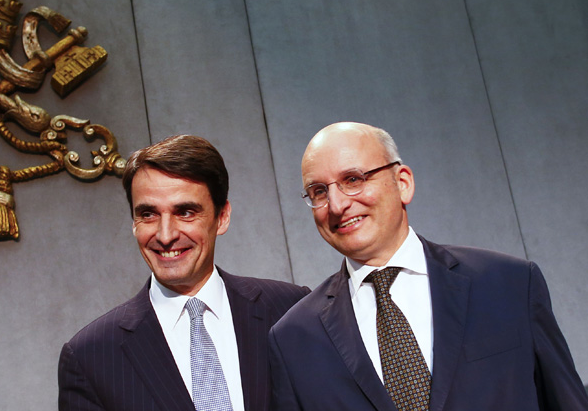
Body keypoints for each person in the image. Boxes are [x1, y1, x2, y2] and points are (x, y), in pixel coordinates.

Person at [269, 122, 588, 410]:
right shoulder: (294, 338)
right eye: (319, 191)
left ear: (403, 182)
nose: (337, 205)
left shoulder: (509, 283)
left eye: (353, 179)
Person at [59, 134, 309, 411]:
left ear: (222, 216)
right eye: (148, 214)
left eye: (185, 212)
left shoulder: (290, 309)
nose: (165, 235)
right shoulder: (90, 356)